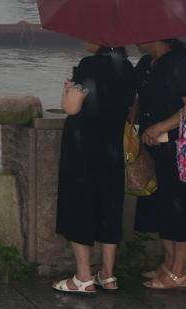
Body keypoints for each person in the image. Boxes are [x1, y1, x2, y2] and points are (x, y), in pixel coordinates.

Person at [51, 40, 134, 294]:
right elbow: (131, 109)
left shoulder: (89, 65)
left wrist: (66, 91)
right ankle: (108, 276)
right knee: (110, 205)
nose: (83, 39)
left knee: (80, 204)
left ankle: (83, 277)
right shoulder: (128, 67)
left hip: (83, 149)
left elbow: (72, 107)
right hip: (112, 148)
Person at [130, 36, 186, 291]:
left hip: (176, 146)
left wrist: (162, 126)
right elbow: (139, 98)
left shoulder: (177, 64)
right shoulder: (146, 64)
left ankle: (179, 271)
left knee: (181, 207)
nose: (135, 38)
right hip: (153, 146)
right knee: (160, 205)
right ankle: (168, 263)